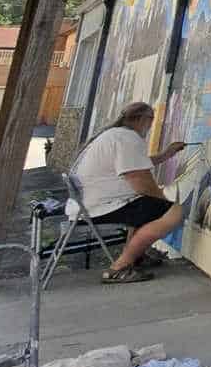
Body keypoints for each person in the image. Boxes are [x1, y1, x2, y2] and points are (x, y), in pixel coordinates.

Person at [70, 101, 185, 284]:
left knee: (144, 206)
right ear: (140, 119)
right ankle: (119, 268)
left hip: (89, 203)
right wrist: (164, 203)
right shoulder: (127, 138)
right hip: (100, 205)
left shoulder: (115, 135)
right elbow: (140, 180)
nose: (151, 124)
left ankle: (137, 256)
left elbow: (137, 164)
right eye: (150, 119)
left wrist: (166, 154)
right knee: (172, 212)